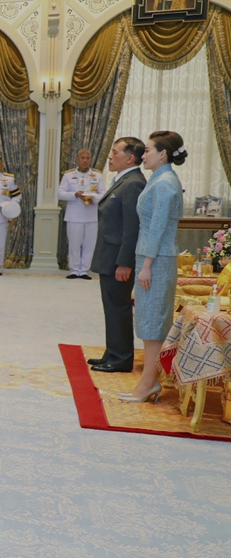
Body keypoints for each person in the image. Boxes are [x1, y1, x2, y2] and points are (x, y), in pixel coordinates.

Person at [118, 131, 186, 402]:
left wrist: (146, 266)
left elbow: (157, 228)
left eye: (147, 150)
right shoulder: (159, 179)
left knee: (154, 323)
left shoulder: (165, 183)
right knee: (148, 323)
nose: (143, 155)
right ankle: (148, 382)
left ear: (163, 154)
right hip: (151, 258)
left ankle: (148, 384)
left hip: (156, 260)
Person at [90, 137, 147, 374]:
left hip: (118, 259)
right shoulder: (123, 179)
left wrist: (125, 263)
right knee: (111, 306)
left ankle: (121, 358)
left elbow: (131, 227)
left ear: (129, 158)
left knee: (118, 307)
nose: (110, 157)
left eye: (115, 153)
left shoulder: (133, 183)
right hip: (109, 254)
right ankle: (112, 352)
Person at [58, 149, 107, 279]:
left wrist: (93, 198)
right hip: (74, 215)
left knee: (89, 244)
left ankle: (84, 270)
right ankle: (74, 270)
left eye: (87, 158)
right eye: (83, 158)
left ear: (90, 160)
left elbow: (103, 194)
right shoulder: (69, 175)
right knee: (74, 243)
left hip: (91, 215)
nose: (85, 160)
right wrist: (75, 194)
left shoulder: (97, 176)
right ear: (77, 160)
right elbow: (60, 193)